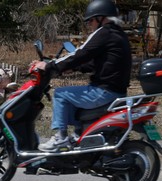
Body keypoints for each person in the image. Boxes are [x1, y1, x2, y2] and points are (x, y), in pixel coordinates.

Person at [32, 0, 132, 152]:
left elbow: (80, 53)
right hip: (116, 90)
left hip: (104, 91)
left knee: (60, 94)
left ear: (101, 18)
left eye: (91, 20)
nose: (89, 24)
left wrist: (50, 65)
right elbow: (100, 63)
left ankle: (61, 138)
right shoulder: (118, 34)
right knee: (73, 99)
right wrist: (73, 69)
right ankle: (79, 133)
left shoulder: (104, 33)